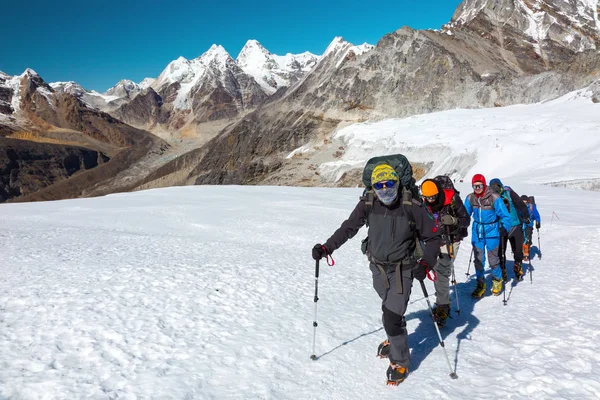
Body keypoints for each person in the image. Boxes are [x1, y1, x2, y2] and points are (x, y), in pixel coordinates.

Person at [312, 162, 441, 385]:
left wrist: (426, 264)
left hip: (404, 269)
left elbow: (433, 238)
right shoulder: (368, 203)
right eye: (380, 186)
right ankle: (395, 337)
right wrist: (327, 248)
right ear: (373, 187)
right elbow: (348, 228)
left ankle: (400, 361)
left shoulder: (411, 205)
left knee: (391, 315)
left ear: (398, 183)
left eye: (390, 184)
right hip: (378, 267)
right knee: (388, 308)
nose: (385, 190)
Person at [420, 178, 470, 326]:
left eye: (433, 197)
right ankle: (442, 301)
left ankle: (443, 305)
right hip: (432, 241)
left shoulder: (452, 198)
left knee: (441, 271)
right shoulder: (423, 203)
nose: (431, 200)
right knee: (437, 271)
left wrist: (454, 221)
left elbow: (466, 219)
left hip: (450, 240)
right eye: (427, 197)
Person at [464, 174, 513, 297]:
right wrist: (460, 226)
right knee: (478, 260)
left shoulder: (494, 198)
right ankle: (481, 284)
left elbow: (506, 216)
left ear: (484, 184)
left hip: (492, 232)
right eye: (474, 186)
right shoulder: (470, 198)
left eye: (480, 185)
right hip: (477, 233)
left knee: (493, 260)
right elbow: (464, 215)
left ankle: (497, 280)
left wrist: (504, 228)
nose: (477, 188)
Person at [488, 178, 530, 280]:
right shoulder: (491, 197)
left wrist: (526, 216)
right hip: (502, 227)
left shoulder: (509, 192)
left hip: (516, 225)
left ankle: (517, 267)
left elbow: (520, 203)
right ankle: (502, 270)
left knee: (518, 250)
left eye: (497, 187)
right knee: (501, 251)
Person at [520, 195, 541, 261]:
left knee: (527, 239)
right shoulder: (519, 207)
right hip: (521, 225)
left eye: (525, 201)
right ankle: (521, 252)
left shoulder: (532, 207)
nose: (524, 202)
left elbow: (537, 215)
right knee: (521, 239)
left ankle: (526, 254)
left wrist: (538, 222)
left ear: (527, 201)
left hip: (529, 225)